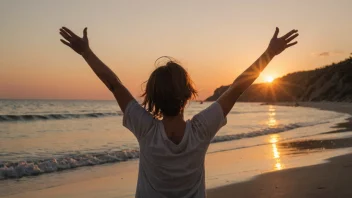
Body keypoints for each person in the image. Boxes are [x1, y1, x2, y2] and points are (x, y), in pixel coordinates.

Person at [59, 26, 298, 198]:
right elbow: (237, 87)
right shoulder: (201, 130)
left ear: (152, 98)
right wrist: (270, 54)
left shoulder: (146, 129)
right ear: (187, 94)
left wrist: (86, 53)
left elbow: (114, 84)